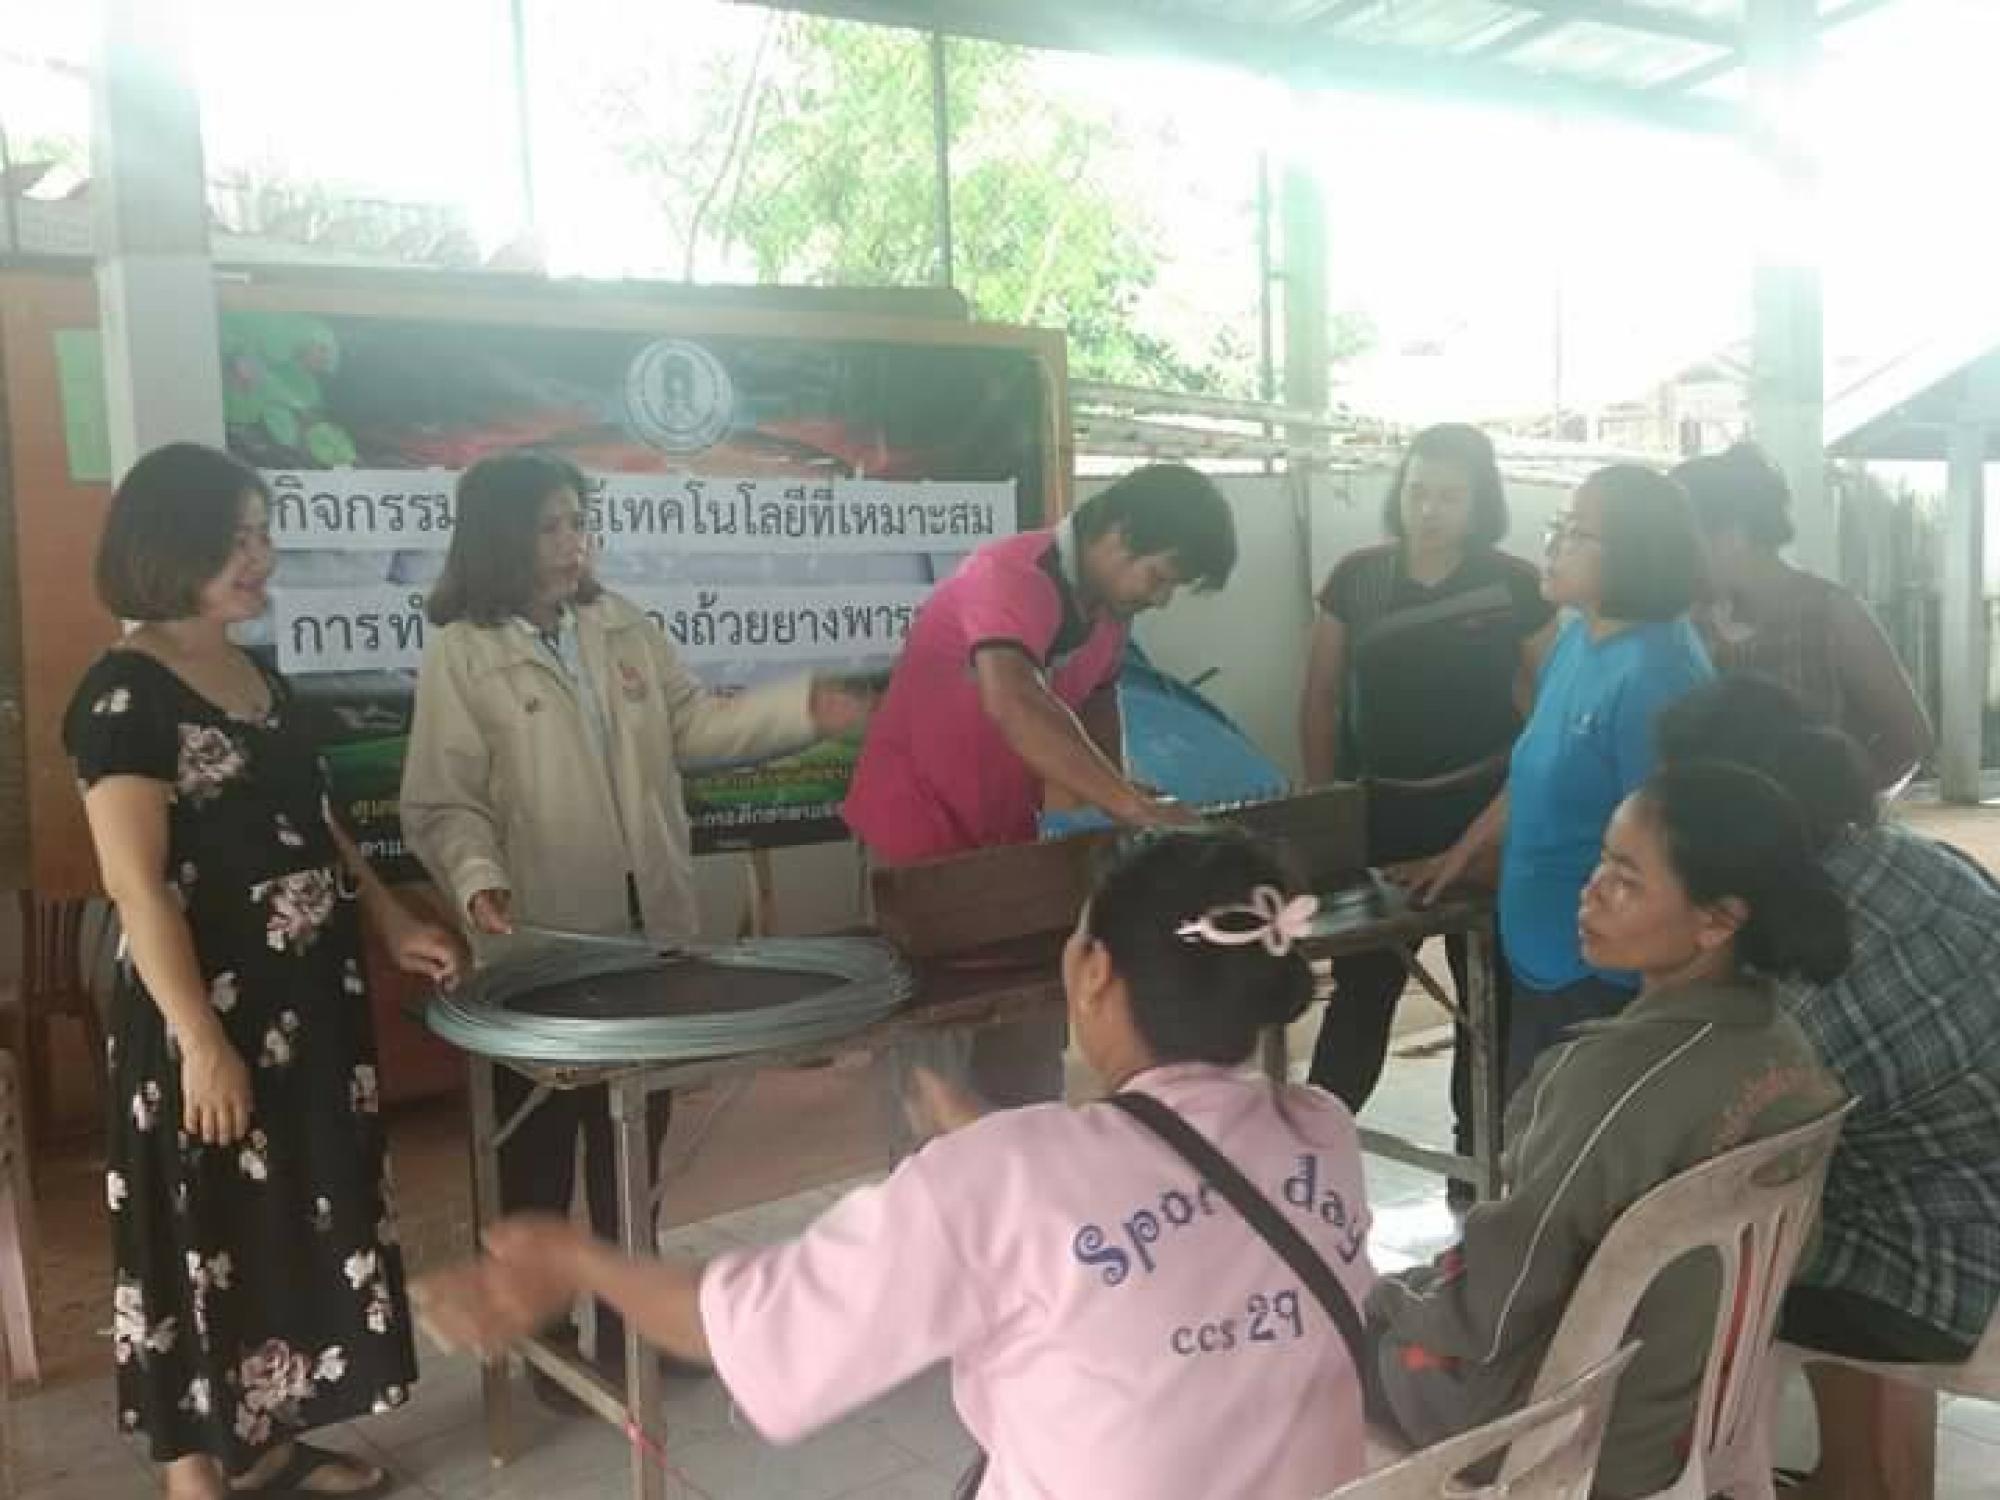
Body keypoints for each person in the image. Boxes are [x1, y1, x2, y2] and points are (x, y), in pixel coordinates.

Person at [413, 829, 1377, 1500]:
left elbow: (754, 1326)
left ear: (1092, 973)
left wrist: (577, 1260)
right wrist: (985, 1145)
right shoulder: (1321, 1135)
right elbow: (1156, 1199)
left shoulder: (1008, 1178)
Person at [399, 450, 871, 1403]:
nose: (572, 543)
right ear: (500, 537)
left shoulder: (620, 625)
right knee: (536, 1148)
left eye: (579, 522)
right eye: (550, 526)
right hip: (541, 947)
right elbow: (445, 802)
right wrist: (478, 880)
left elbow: (693, 728)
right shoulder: (463, 652)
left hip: (650, 933)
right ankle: (543, 1341)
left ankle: (633, 1328)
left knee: (631, 1146)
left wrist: (800, 710)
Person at [63, 443, 467, 1500]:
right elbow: (137, 886)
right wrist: (201, 1043)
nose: (261, 556)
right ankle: (195, 1474)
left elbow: (315, 823)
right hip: (206, 1010)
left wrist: (389, 917)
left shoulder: (260, 678)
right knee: (200, 1226)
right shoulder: (123, 696)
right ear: (170, 546)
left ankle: (273, 1440)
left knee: (293, 1215)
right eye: (235, 538)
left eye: (261, 533)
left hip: (310, 1006)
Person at [1370, 763, 1848, 1499]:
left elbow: (1497, 1306)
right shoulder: (1782, 1044)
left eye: (1626, 878)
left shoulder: (1619, 1078)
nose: (1591, 890)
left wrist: (1388, 1301)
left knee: (1318, 1339)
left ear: (1717, 920)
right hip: (1696, 1410)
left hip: (1569, 1438)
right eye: (1602, 862)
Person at [1656, 675, 2000, 1500]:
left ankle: (1847, 1479)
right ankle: (1869, 1474)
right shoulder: (1915, 862)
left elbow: (1698, 1141)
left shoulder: (1805, 963)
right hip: (1967, 1179)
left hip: (1961, 1258)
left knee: (1726, 1246)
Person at [845, 462, 1236, 1110]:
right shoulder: (1008, 575)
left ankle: (1027, 1159)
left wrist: (1115, 806)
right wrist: (1132, 807)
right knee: (934, 1055)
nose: (1161, 598)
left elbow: (1098, 703)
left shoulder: (1110, 611)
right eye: (1161, 576)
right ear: (1119, 533)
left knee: (1027, 1033)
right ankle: (930, 1173)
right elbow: (1014, 700)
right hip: (917, 833)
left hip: (1008, 836)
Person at [1298, 423, 1554, 1174]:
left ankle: (1479, 1164)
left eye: (1448, 496)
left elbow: (1549, 706)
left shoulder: (1516, 586)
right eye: (1417, 491)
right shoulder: (1357, 581)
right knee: (1364, 987)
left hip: (1487, 815)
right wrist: (1326, 810)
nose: (1429, 510)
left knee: (1490, 996)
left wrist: (1518, 812)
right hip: (1381, 816)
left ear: (1480, 503)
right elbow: (1319, 699)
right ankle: (1306, 1162)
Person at [1408, 465, 1714, 1090]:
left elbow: (1668, 849)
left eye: (1576, 534)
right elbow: (1531, 771)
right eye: (1557, 526)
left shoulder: (1657, 676)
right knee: (1530, 1124)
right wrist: (1459, 856)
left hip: (1605, 976)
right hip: (1544, 953)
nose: (1551, 546)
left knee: (1579, 1137)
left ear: (1634, 554)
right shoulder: (1578, 642)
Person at [1674, 442, 1930, 792]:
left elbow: (1909, 739)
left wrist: (1835, 802)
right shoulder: (1684, 621)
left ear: (1733, 536)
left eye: (1682, 542)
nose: (1669, 558)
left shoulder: (1831, 613)